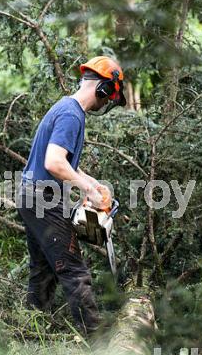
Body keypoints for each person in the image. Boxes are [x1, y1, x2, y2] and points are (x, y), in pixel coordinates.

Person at [16, 56, 127, 335]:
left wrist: (93, 183)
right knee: (74, 270)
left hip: (32, 196)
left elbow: (66, 165)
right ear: (102, 89)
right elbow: (53, 163)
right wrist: (86, 189)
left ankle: (31, 329)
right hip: (42, 198)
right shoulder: (71, 114)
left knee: (43, 269)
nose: (105, 103)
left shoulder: (66, 109)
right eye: (108, 97)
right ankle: (98, 344)